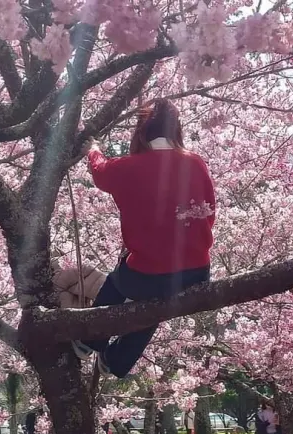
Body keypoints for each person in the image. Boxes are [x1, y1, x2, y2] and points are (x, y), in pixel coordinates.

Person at [72, 99, 217, 378]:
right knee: (155, 303)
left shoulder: (129, 167)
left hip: (150, 274)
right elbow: (209, 211)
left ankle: (90, 341)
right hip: (197, 272)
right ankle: (116, 361)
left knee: (119, 281)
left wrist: (93, 149)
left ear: (142, 131)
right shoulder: (195, 163)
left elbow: (100, 170)